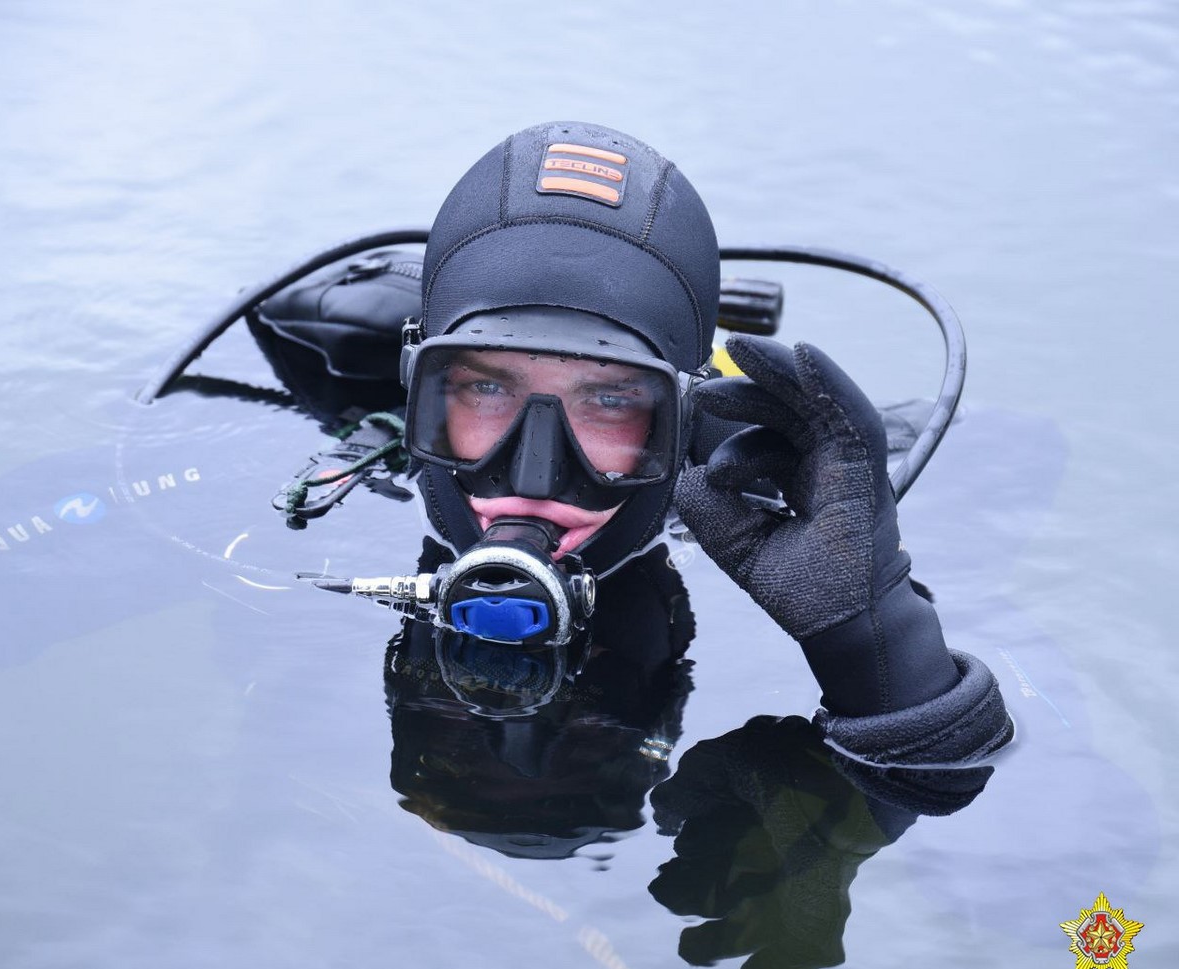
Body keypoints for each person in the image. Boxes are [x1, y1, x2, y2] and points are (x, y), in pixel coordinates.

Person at [396, 120, 1013, 766]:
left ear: (683, 419)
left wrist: (879, 647)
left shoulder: (790, 517)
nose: (535, 471)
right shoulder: (334, 485)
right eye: (487, 390)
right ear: (418, 386)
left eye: (609, 400)